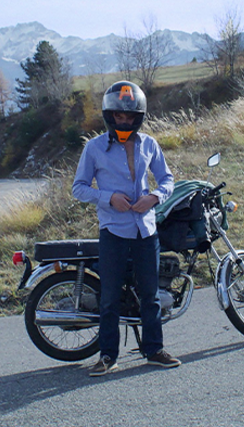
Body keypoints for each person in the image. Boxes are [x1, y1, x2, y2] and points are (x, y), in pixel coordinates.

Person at [72, 80, 181, 377]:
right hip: (113, 231)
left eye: (130, 116)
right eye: (119, 116)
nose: (124, 121)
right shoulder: (94, 148)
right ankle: (108, 356)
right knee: (109, 297)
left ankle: (154, 350)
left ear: (138, 117)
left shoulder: (149, 144)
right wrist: (108, 198)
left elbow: (167, 179)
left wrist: (154, 197)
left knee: (150, 294)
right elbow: (78, 188)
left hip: (145, 231)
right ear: (110, 115)